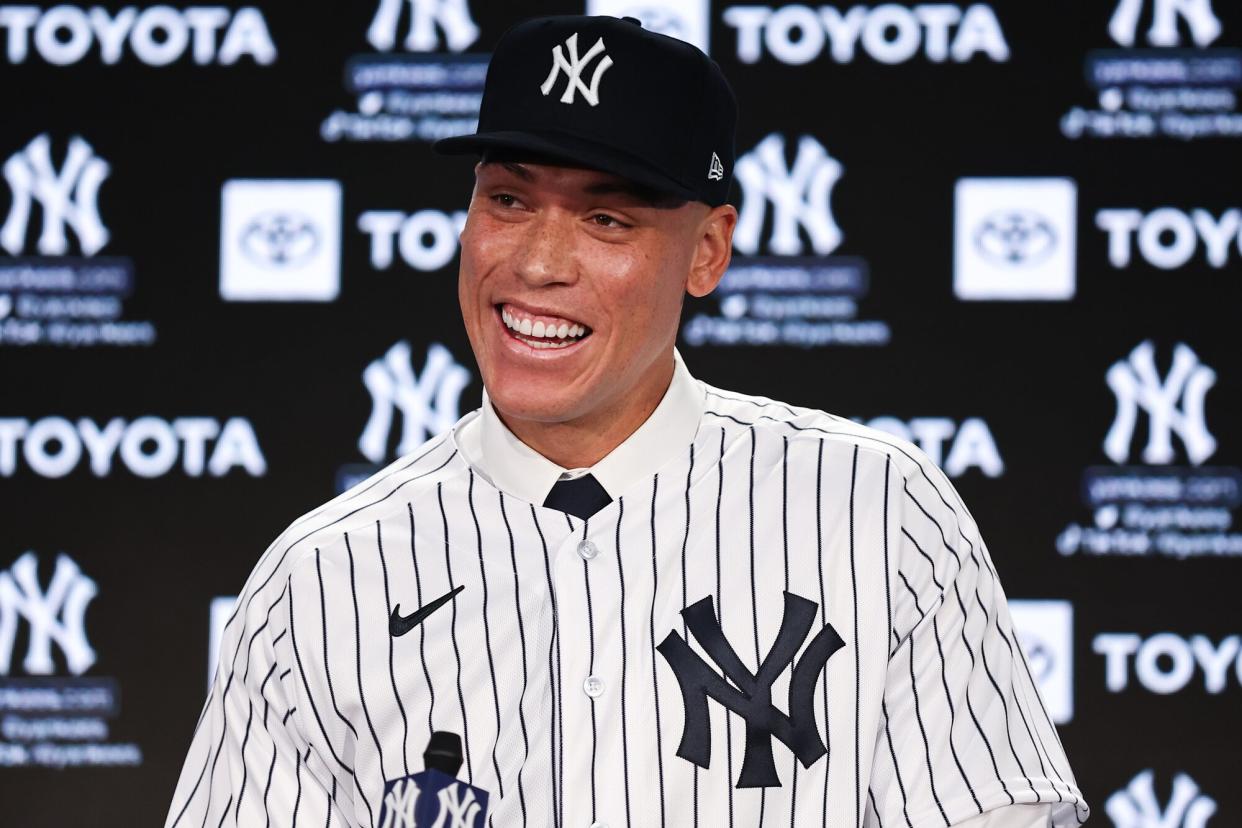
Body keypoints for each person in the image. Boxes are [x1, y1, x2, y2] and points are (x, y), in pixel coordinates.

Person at [166, 14, 1088, 828]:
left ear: (709, 251)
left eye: (607, 219)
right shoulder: (320, 581)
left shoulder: (880, 515)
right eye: (510, 199)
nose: (537, 264)